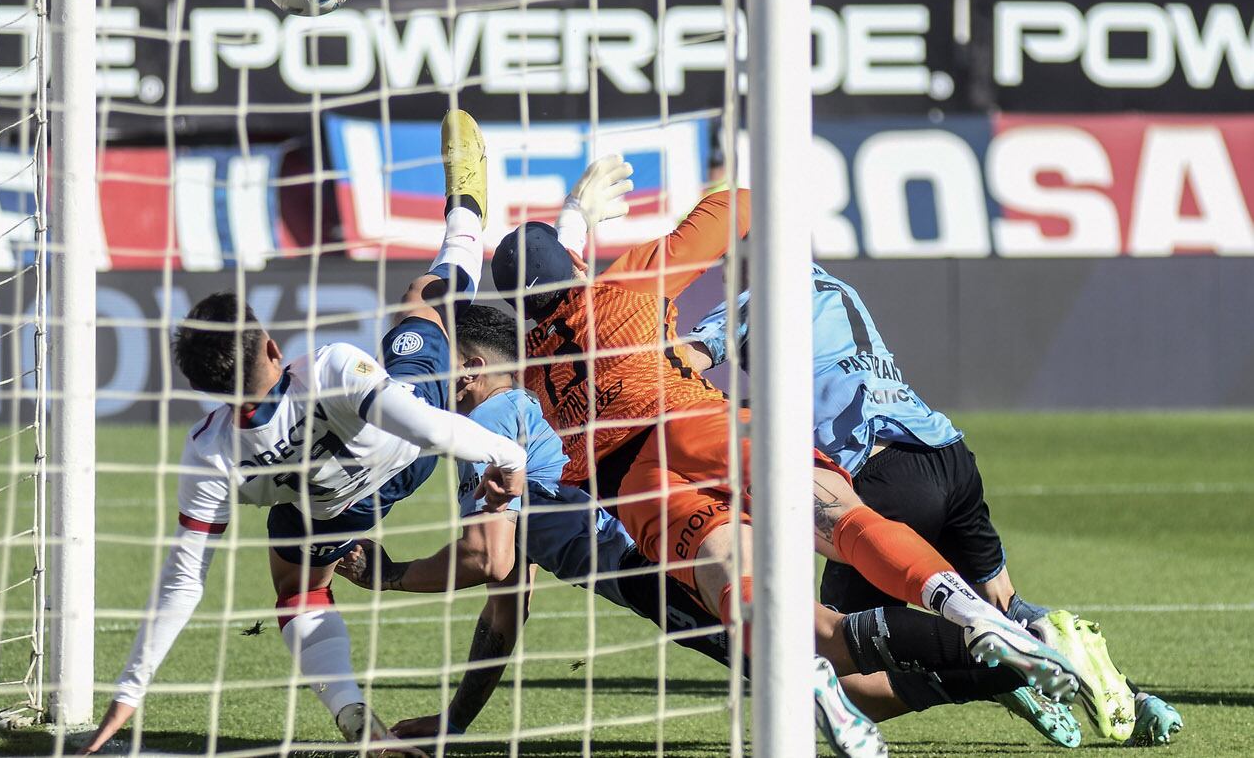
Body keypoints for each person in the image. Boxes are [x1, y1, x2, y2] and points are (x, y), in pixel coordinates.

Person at [489, 177, 1081, 755]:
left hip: (634, 485)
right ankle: (971, 612)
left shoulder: (530, 371)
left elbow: (536, 313)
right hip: (696, 422)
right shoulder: (626, 286)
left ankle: (802, 673)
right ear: (577, 265)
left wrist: (569, 227)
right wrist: (588, 218)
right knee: (841, 517)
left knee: (733, 580)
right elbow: (738, 207)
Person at [335, 304, 1073, 753]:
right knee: (829, 666)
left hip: (660, 559)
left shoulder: (491, 421)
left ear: (468, 369)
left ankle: (1008, 656)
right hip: (667, 543)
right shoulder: (527, 417)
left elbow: (487, 556)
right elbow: (508, 597)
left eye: (432, 377)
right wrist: (457, 721)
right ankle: (998, 658)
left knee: (825, 650)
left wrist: (390, 572)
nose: (423, 395)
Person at [79, 111, 525, 757]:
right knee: (426, 294)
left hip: (338, 507)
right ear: (269, 344)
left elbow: (182, 581)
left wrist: (127, 695)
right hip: (409, 436)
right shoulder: (326, 371)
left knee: (295, 584)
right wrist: (502, 452)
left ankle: (350, 712)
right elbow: (422, 422)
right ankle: (467, 211)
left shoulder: (210, 451)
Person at [683, 258, 1184, 747]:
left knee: (847, 677)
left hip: (878, 476)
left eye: (726, 260)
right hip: (947, 454)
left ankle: (1012, 673)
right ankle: (1133, 699)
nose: (723, 274)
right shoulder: (837, 287)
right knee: (1001, 605)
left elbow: (678, 368)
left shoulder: (757, 299)